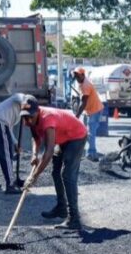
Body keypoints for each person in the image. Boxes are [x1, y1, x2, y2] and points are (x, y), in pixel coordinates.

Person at [21, 98, 88, 231]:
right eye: (25, 117)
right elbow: (36, 138)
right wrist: (34, 154)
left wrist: (33, 177)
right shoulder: (31, 120)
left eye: (30, 117)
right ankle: (61, 208)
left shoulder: (47, 119)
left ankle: (74, 219)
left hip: (76, 136)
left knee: (67, 175)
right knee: (55, 172)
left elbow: (49, 152)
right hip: (64, 137)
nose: (27, 121)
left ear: (37, 112)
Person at [0, 93, 33, 194]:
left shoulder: (16, 115)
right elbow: (20, 97)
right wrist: (25, 104)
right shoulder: (20, 98)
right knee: (6, 154)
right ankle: (10, 185)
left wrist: (15, 143)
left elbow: (8, 130)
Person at [72, 67, 104, 161]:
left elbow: (84, 102)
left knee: (90, 133)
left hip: (95, 111)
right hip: (89, 111)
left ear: (83, 75)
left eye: (78, 75)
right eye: (75, 76)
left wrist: (77, 116)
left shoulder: (86, 85)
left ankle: (92, 154)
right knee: (86, 132)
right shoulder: (81, 83)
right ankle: (89, 152)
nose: (76, 77)